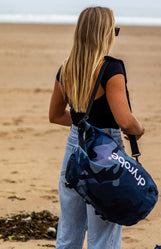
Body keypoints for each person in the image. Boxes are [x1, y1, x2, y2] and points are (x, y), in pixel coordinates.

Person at [49, 6, 145, 249]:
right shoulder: (111, 69)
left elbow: (56, 115)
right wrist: (138, 129)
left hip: (74, 149)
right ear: (105, 34)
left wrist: (83, 122)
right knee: (103, 235)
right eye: (114, 30)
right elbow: (124, 120)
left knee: (69, 232)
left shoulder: (67, 68)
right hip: (106, 150)